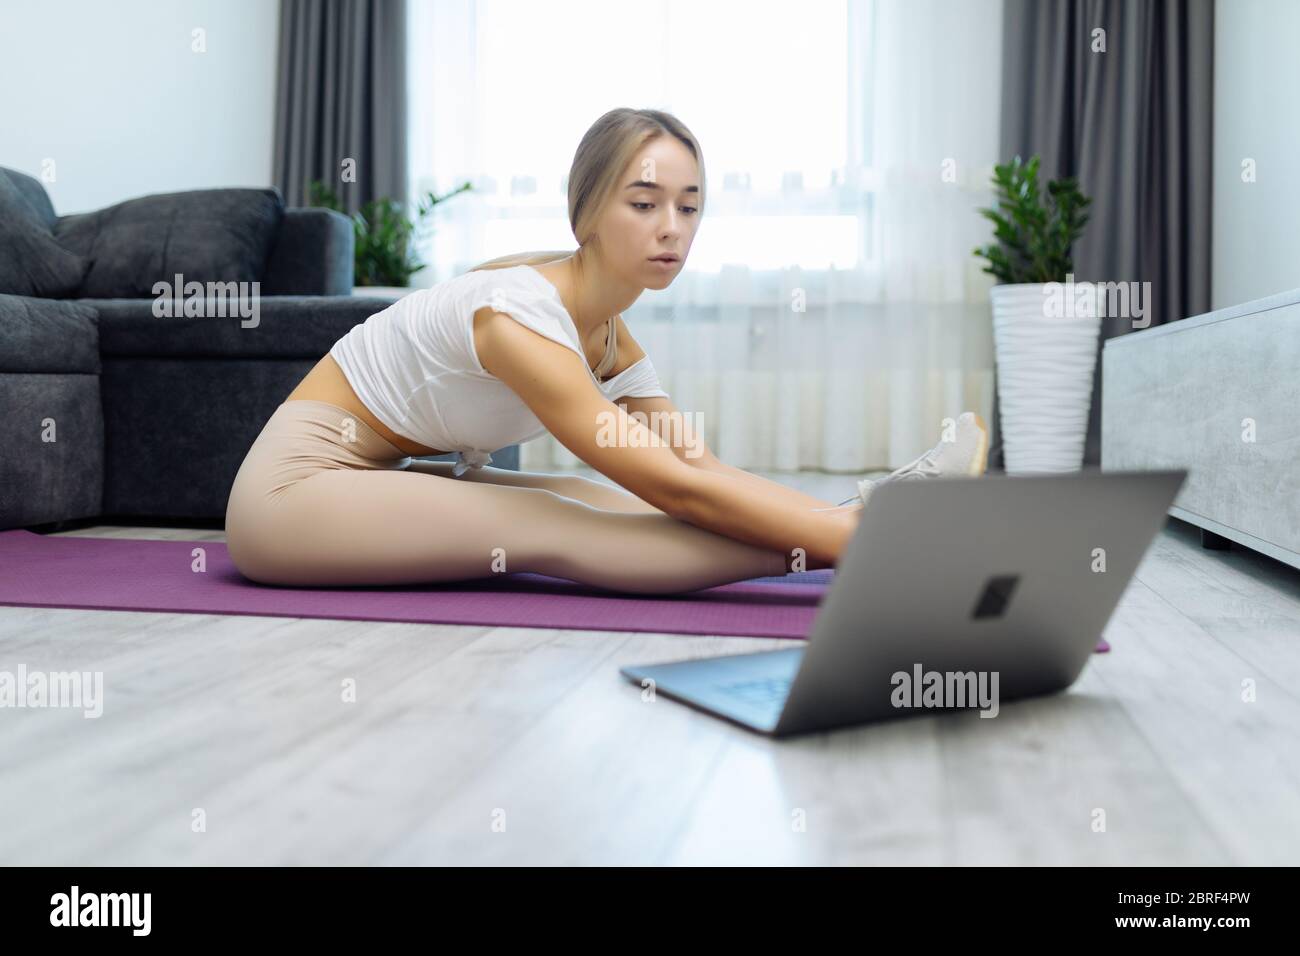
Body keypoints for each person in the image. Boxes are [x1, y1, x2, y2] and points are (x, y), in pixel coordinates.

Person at [224, 108, 987, 594]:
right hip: (289, 499)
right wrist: (846, 539)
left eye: (690, 207)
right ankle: (872, 543)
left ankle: (869, 515)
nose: (673, 228)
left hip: (377, 477)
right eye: (645, 203)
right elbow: (683, 494)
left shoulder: (613, 338)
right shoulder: (519, 318)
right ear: (587, 211)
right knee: (560, 523)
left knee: (615, 507)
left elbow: (699, 469)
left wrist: (832, 512)